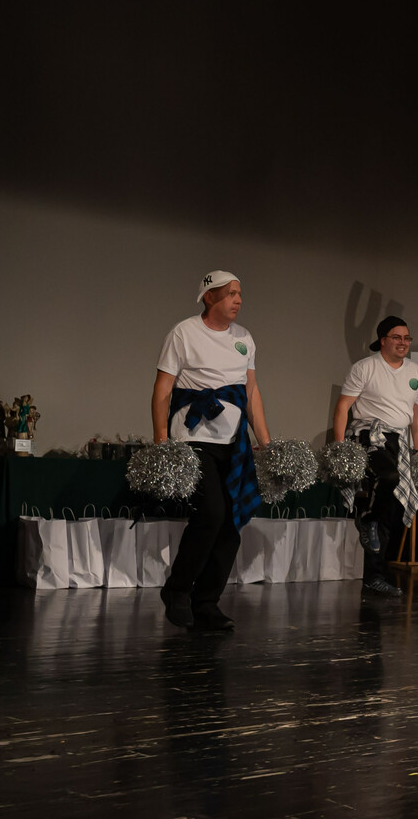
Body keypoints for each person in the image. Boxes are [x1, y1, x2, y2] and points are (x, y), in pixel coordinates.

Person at [152, 270, 270, 631]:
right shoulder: (184, 332)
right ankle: (177, 590)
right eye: (231, 294)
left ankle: (206, 602)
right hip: (193, 441)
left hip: (233, 444)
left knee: (232, 522)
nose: (238, 300)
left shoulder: (244, 338)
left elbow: (251, 392)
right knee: (211, 513)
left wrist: (266, 443)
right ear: (209, 296)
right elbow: (163, 390)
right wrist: (162, 442)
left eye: (240, 294)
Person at [332, 316, 418, 597]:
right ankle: (368, 518)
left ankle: (374, 576)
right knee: (388, 478)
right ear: (383, 340)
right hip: (368, 436)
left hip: (399, 441)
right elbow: (343, 407)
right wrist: (341, 447)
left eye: (407, 338)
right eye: (397, 337)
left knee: (392, 508)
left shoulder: (416, 372)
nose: (403, 342)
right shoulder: (365, 367)